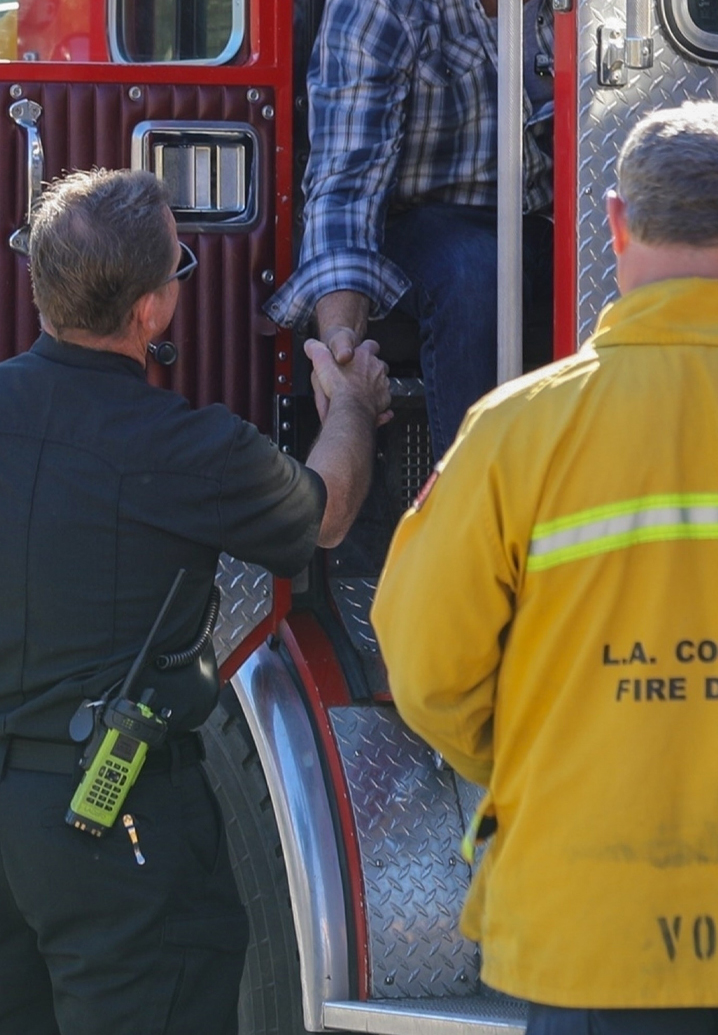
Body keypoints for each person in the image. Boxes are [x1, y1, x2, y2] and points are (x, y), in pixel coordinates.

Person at [370, 103, 718, 1034]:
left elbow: (428, 666)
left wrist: (543, 762)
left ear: (615, 222)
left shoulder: (516, 432)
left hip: (589, 940)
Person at [0, 168, 386, 1035]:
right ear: (151, 311)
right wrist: (354, 406)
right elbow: (326, 513)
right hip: (113, 823)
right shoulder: (184, 448)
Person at [267, 0, 561, 463]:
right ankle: (473, 514)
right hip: (425, 229)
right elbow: (345, 183)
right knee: (473, 266)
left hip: (560, 220)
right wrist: (339, 342)